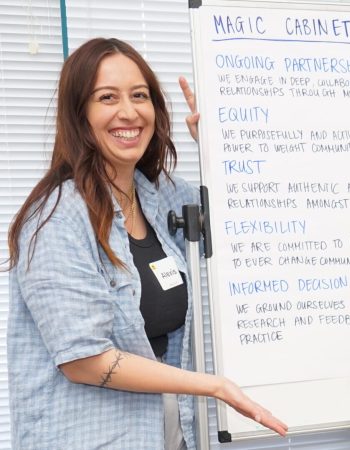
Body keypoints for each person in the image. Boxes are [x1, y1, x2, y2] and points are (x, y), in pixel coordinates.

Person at [5, 37, 287, 450]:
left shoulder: (161, 197)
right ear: (79, 114)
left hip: (168, 436)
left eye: (140, 96)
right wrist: (213, 386)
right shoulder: (56, 217)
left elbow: (252, 224)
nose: (129, 112)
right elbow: (83, 360)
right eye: (107, 97)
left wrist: (214, 143)